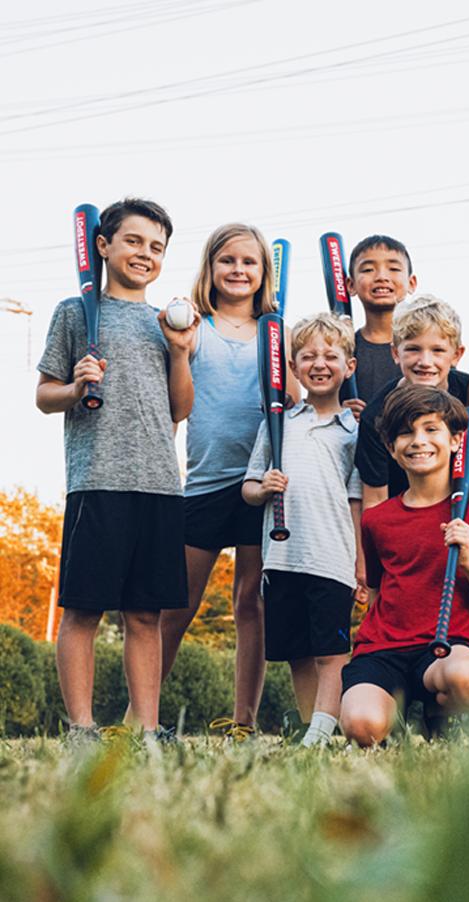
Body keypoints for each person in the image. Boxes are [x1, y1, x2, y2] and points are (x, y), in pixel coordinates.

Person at [36, 197, 195, 743]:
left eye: (156, 247)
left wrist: (179, 353)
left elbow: (180, 409)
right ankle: (81, 728)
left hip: (158, 483)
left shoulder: (166, 324)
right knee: (83, 609)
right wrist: (77, 386)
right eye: (133, 241)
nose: (144, 254)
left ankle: (146, 729)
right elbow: (43, 395)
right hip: (98, 479)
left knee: (145, 615)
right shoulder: (73, 313)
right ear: (102, 246)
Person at [339, 384, 469, 746]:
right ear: (392, 449)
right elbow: (377, 589)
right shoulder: (377, 519)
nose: (418, 440)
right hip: (382, 651)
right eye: (406, 432)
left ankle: (438, 716)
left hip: (445, 649)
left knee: (468, 681)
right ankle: (401, 716)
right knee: (362, 728)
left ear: (456, 441)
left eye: (430, 429)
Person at [156, 223, 276, 740]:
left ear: (263, 272)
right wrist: (180, 350)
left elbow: (289, 397)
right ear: (211, 267)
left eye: (249, 262)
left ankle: (244, 720)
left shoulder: (276, 332)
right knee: (177, 603)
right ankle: (141, 713)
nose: (238, 270)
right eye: (227, 260)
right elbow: (176, 403)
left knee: (250, 602)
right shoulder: (194, 327)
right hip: (204, 483)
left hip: (258, 481)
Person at [243, 313, 364, 748]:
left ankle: (322, 731)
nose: (319, 363)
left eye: (331, 356)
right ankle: (312, 725)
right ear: (292, 368)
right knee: (295, 650)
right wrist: (263, 488)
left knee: (330, 651)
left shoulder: (353, 429)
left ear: (349, 366)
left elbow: (357, 501)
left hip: (330, 556)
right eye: (308, 356)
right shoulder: (278, 424)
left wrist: (360, 562)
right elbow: (248, 487)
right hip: (282, 556)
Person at [354, 294, 469, 512]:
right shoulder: (376, 414)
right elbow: (375, 503)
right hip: (403, 522)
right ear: (395, 353)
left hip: (461, 521)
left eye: (438, 350)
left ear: (457, 355)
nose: (425, 362)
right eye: (413, 349)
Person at [345, 234, 417, 404]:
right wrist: (341, 413)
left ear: (411, 283)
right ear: (351, 285)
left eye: (393, 269)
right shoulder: (343, 350)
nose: (381, 277)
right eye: (368, 270)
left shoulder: (425, 348)